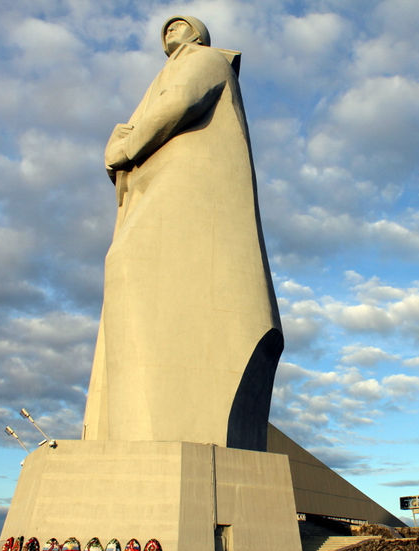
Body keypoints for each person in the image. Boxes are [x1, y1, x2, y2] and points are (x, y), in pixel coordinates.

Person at [83, 16, 282, 451]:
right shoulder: (164, 73)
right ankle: (123, 431)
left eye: (179, 25)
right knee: (129, 271)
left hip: (187, 189)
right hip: (163, 187)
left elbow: (176, 104)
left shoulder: (208, 61)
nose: (169, 31)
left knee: (130, 263)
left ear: (198, 34)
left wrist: (122, 147)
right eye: (166, 28)